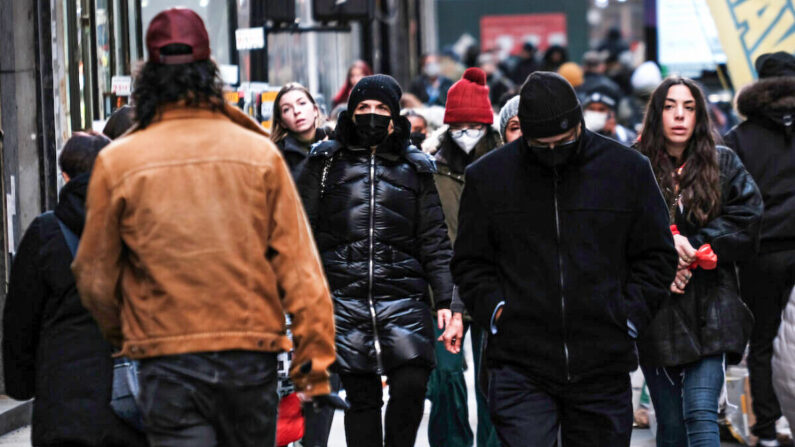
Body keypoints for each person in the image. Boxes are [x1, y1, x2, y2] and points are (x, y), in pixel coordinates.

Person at [71, 8, 336, 447]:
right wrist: (314, 365)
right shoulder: (258, 153)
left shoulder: (118, 160)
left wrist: (130, 333)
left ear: (148, 76)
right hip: (250, 354)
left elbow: (94, 275)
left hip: (166, 356)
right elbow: (300, 269)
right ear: (209, 71)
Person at [452, 71, 677, 447]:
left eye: (565, 141)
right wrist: (498, 312)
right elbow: (471, 262)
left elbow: (655, 257)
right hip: (521, 361)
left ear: (579, 123)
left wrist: (627, 317)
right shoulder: (489, 178)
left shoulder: (625, 170)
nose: (555, 152)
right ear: (523, 132)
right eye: (543, 144)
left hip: (602, 361)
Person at [297, 74, 454, 447]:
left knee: (412, 385)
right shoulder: (324, 162)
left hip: (404, 293)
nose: (371, 114)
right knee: (362, 397)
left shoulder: (417, 168)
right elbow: (300, 230)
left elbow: (434, 238)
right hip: (343, 295)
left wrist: (446, 299)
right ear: (350, 113)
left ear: (394, 115)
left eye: (381, 108)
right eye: (363, 107)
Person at [636, 76, 762, 447]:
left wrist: (693, 245)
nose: (679, 116)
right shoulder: (633, 163)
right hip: (656, 309)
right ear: (656, 114)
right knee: (671, 424)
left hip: (712, 305)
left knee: (700, 409)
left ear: (700, 115)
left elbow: (750, 216)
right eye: (670, 106)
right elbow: (614, 226)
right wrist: (666, 250)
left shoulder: (722, 162)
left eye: (689, 107)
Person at [2, 131, 148, 447]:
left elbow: (19, 322)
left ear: (65, 176)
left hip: (64, 412)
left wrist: (23, 385)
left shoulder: (46, 234)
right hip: (132, 405)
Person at [423, 67, 502, 447]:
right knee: (445, 378)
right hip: (443, 290)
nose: (467, 132)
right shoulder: (431, 168)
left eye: (475, 124)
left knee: (495, 383)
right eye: (459, 125)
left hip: (494, 287)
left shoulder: (507, 164)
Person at [723, 51, 795, 447]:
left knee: (764, 343)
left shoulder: (739, 139)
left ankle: (766, 429)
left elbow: (730, 201)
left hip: (762, 254)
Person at [270, 82, 331, 178]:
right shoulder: (276, 155)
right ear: (282, 122)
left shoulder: (335, 141)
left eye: (302, 103)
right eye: (286, 109)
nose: (296, 111)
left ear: (315, 110)